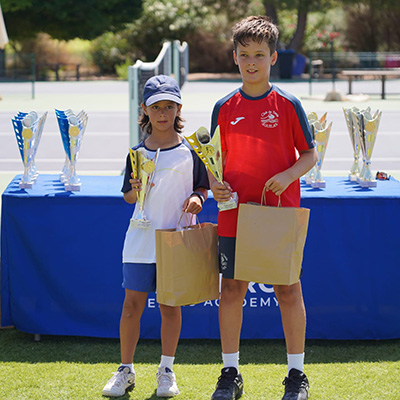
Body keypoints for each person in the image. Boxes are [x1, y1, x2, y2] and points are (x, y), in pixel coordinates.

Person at [209, 16, 317, 400]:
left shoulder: (288, 104)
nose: (251, 61)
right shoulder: (223, 107)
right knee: (232, 289)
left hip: (278, 214)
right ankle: (230, 372)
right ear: (234, 58)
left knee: (287, 290)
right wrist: (215, 185)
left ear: (273, 57)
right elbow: (214, 162)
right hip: (234, 213)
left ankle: (296, 375)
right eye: (244, 55)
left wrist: (288, 175)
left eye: (259, 54)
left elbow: (309, 154)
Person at [102, 75, 209, 398]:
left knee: (169, 306)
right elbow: (128, 198)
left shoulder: (193, 151)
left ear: (178, 108)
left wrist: (199, 199)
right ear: (144, 111)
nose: (162, 113)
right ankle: (126, 370)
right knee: (132, 306)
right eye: (156, 107)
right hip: (139, 241)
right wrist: (134, 191)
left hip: (175, 242)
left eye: (168, 106)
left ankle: (166, 370)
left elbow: (203, 188)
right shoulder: (135, 153)